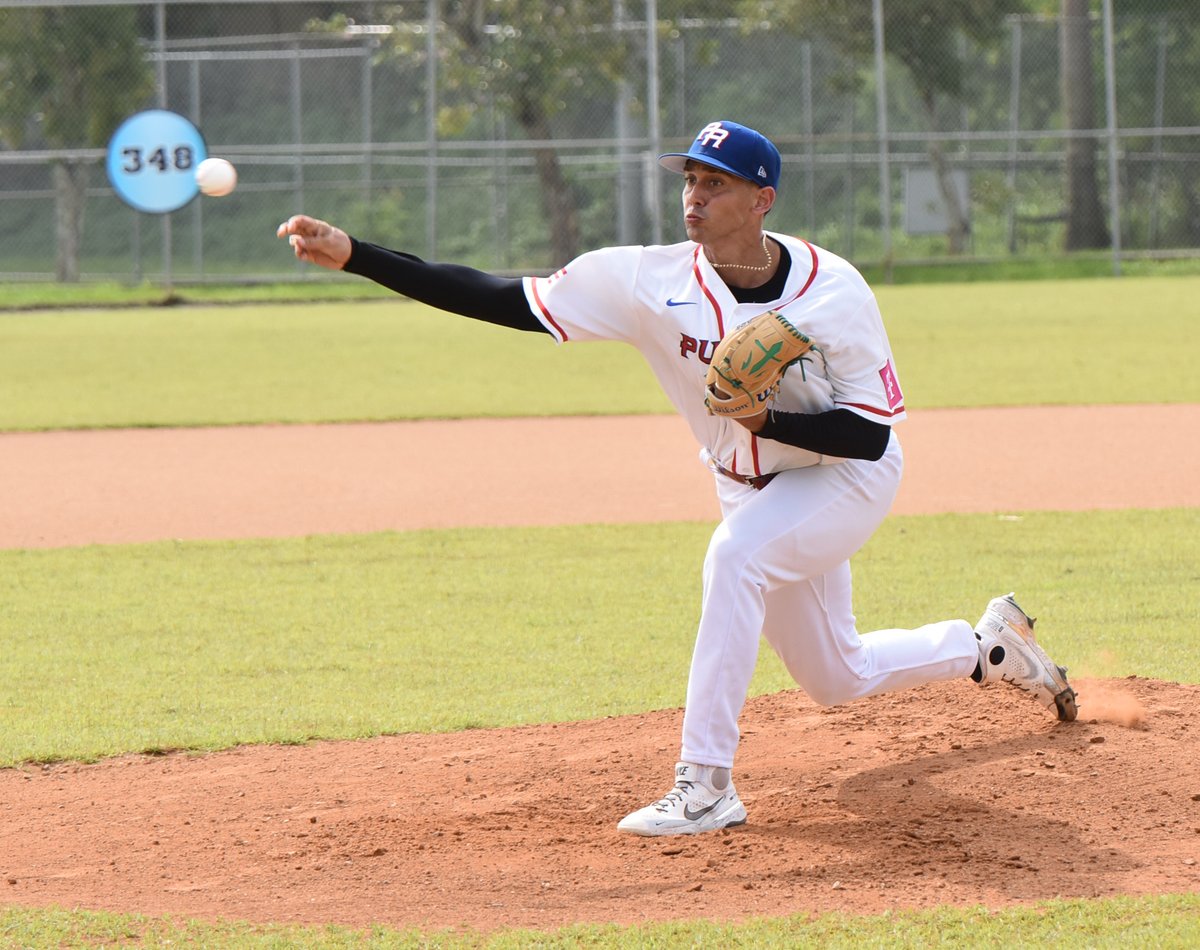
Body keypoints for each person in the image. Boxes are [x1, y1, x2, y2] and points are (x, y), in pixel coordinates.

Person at [277, 119, 1078, 838]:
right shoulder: (643, 281)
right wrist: (358, 257)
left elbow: (869, 436)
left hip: (840, 479)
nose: (693, 196)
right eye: (689, 178)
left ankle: (705, 787)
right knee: (838, 675)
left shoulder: (832, 292)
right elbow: (500, 296)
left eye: (714, 183)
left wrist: (768, 422)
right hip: (745, 483)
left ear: (761, 200)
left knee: (736, 558)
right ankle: (988, 648)